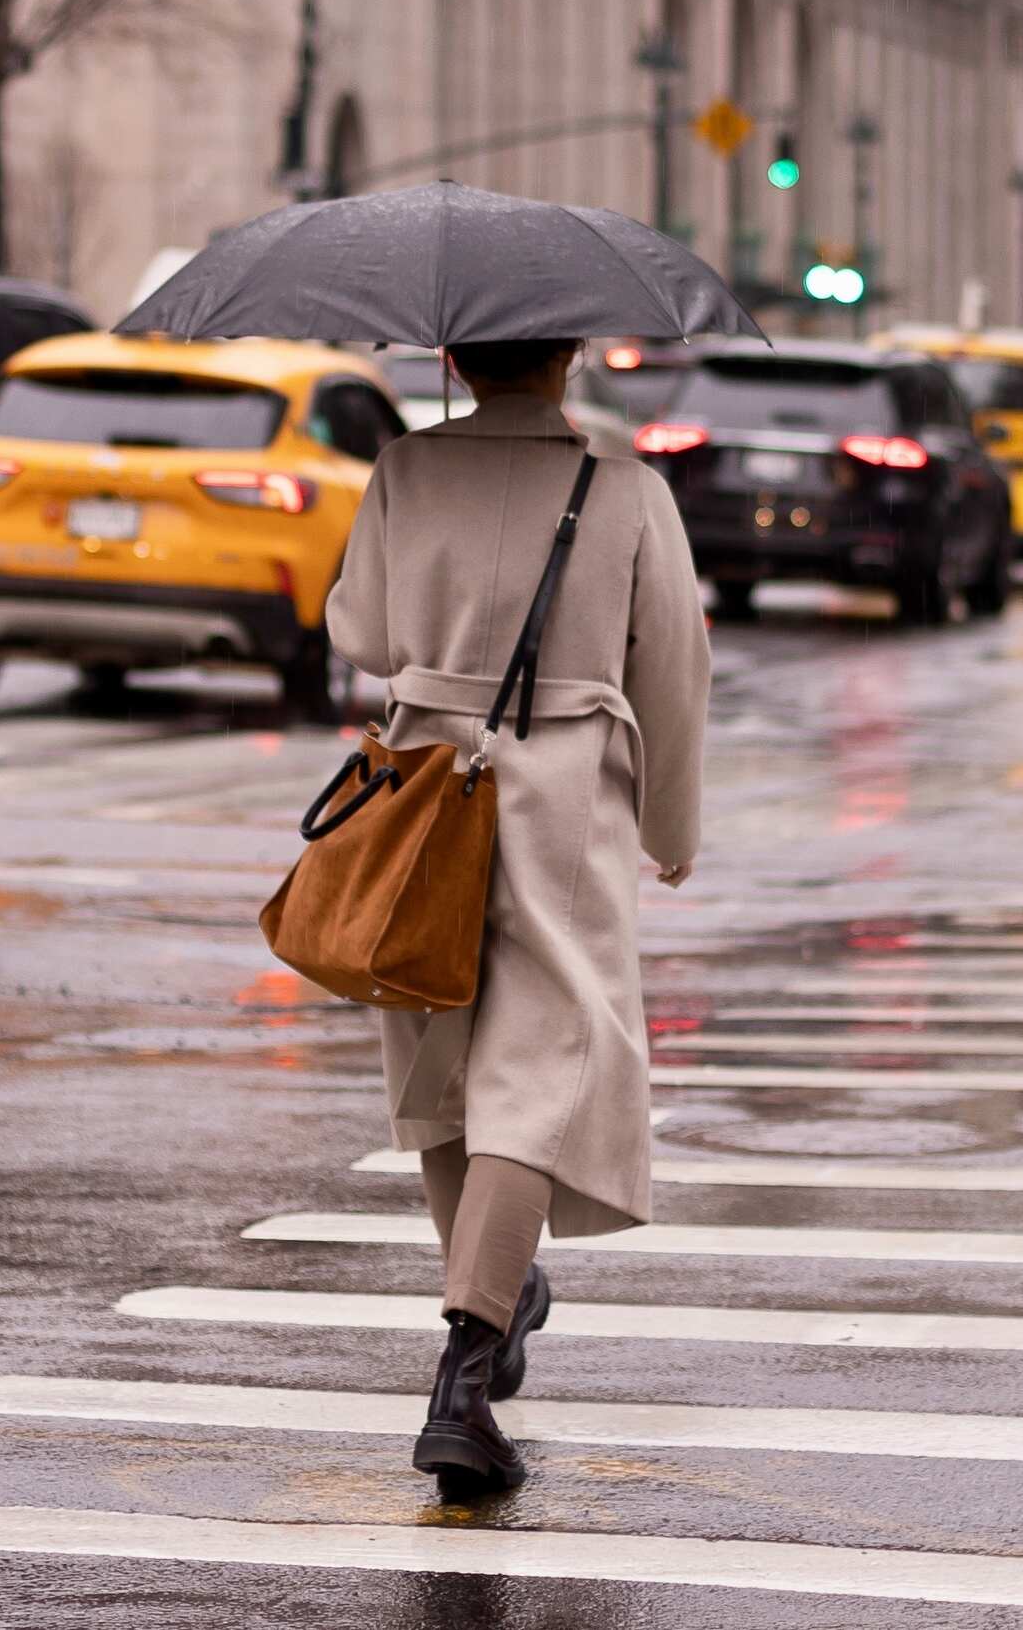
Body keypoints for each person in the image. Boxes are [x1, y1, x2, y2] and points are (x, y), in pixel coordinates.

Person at [325, 338, 711, 1494]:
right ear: (572, 357)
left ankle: (491, 1294)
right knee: (537, 1070)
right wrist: (673, 827)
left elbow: (360, 631)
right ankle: (467, 1363)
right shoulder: (628, 487)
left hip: (421, 789)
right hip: (561, 796)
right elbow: (674, 668)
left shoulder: (403, 467)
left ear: (453, 352)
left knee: (445, 1055)